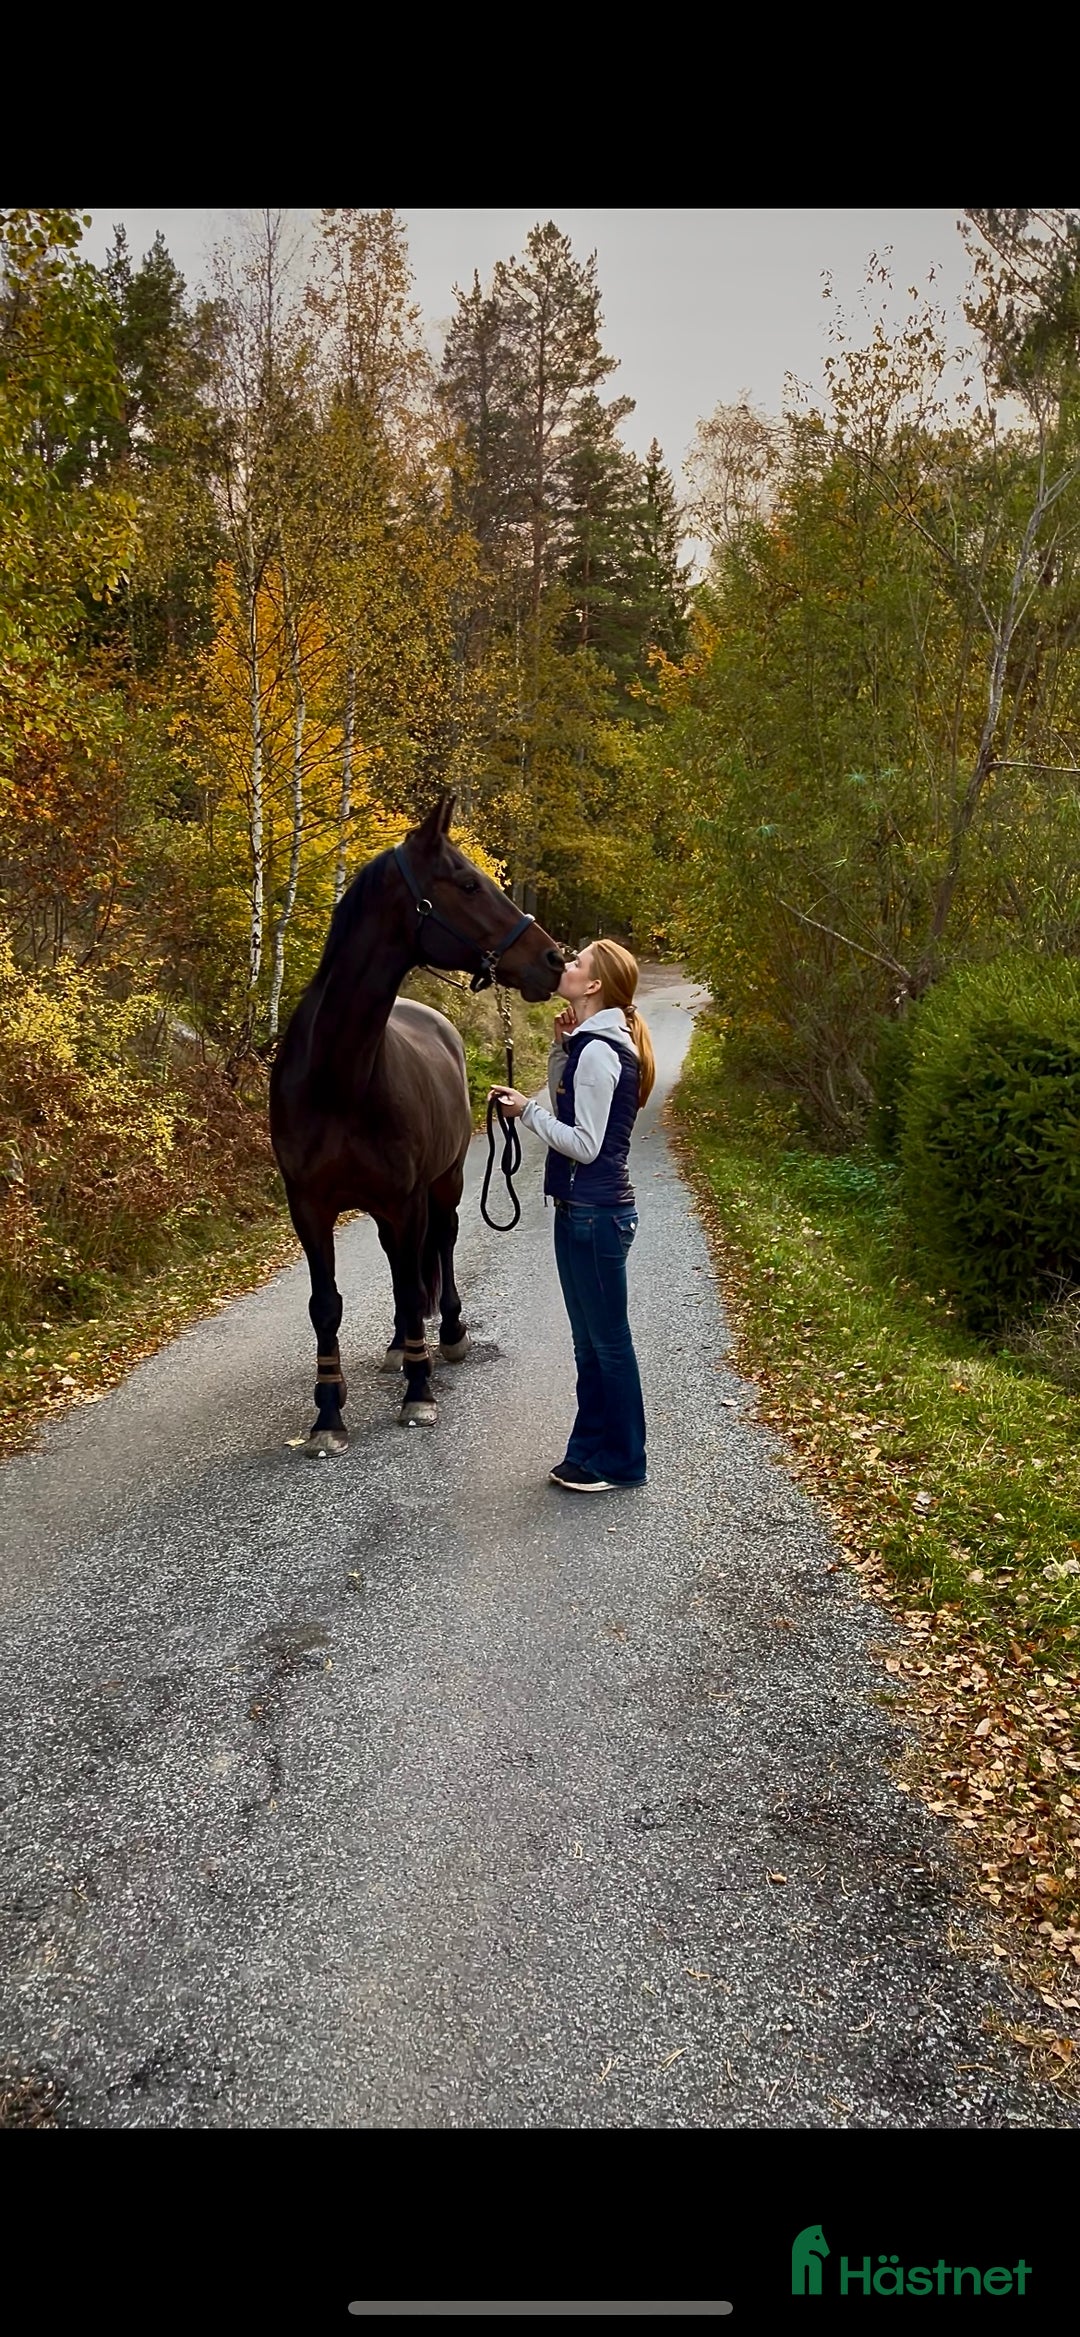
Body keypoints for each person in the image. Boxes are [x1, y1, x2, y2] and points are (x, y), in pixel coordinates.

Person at [489, 939, 655, 1492]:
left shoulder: (602, 1051)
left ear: (594, 986)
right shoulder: (590, 1045)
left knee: (608, 1344)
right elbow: (576, 1107)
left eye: (578, 962)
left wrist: (526, 1111)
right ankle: (589, 1451)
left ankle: (623, 1461)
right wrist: (562, 1049)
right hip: (582, 1213)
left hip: (595, 1215)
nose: (567, 965)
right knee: (591, 1346)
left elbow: (583, 1143)